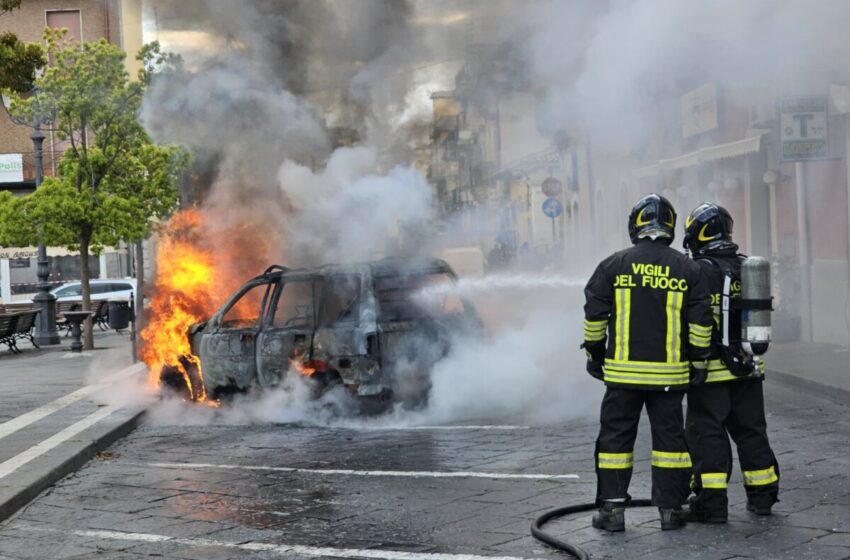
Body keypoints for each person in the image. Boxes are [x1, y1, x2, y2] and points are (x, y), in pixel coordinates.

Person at [582, 193, 713, 531]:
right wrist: (699, 362)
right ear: (670, 226)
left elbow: (594, 315)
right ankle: (670, 512)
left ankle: (611, 512)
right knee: (670, 444)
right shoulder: (688, 268)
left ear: (636, 225)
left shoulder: (614, 264)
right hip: (669, 376)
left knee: (615, 441)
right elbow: (701, 324)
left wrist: (595, 355)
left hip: (622, 377)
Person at [682, 202, 779, 523]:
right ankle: (763, 497)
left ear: (697, 234)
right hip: (750, 368)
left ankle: (711, 504)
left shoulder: (697, 271)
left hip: (710, 372)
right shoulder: (746, 267)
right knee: (752, 431)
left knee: (707, 434)